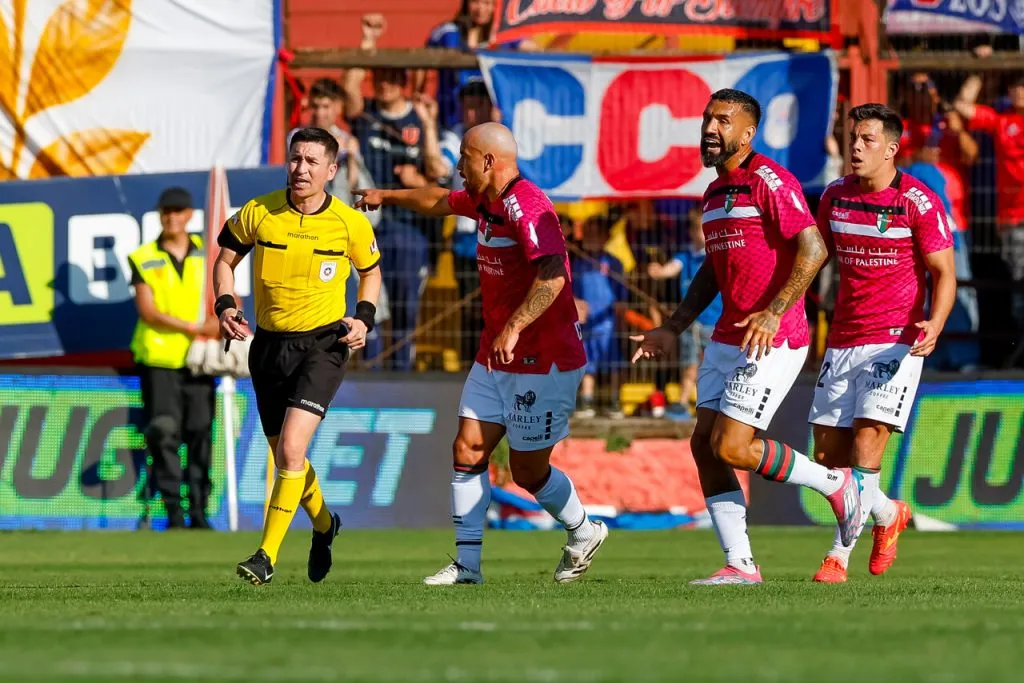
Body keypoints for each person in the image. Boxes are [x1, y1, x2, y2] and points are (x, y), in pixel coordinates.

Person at [353, 122, 607, 585]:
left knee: (528, 471)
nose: (458, 166)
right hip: (496, 354)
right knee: (467, 447)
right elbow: (438, 201)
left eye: (465, 157)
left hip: (542, 357)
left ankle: (584, 529)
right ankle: (468, 566)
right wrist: (386, 196)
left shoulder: (526, 205)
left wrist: (514, 325)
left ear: (488, 161)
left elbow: (552, 277)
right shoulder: (485, 200)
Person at [630, 89, 861, 585]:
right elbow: (712, 270)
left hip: (773, 336)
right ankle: (741, 565)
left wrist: (776, 311)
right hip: (727, 337)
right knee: (703, 446)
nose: (710, 128)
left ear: (747, 132)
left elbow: (814, 248)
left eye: (723, 121)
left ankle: (835, 483)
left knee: (733, 447)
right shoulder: (713, 196)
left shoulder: (769, 180)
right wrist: (673, 326)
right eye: (707, 119)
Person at [214, 127, 383, 585]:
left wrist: (363, 319)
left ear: (331, 171)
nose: (300, 169)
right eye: (295, 159)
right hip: (268, 347)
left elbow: (370, 273)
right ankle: (326, 524)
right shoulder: (260, 212)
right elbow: (224, 260)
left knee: (291, 450)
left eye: (311, 162)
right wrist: (225, 305)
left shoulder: (349, 223)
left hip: (323, 346)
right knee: (290, 458)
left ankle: (265, 556)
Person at [809, 104, 956, 583]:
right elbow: (814, 258)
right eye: (854, 137)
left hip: (897, 341)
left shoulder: (919, 201)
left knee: (867, 446)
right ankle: (888, 514)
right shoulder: (835, 197)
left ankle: (837, 557)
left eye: (868, 140)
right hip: (843, 339)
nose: (856, 146)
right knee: (829, 460)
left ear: (891, 149)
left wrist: (935, 322)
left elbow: (944, 273)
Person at [129, 187, 220, 529]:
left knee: (199, 432)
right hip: (159, 358)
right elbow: (148, 311)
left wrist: (220, 320)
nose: (171, 217)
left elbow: (226, 298)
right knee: (164, 433)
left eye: (178, 211)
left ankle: (199, 510)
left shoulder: (209, 255)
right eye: (166, 211)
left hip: (199, 359)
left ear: (189, 215)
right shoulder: (143, 256)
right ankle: (173, 512)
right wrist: (192, 326)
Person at [648, 205, 723, 419]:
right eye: (701, 229)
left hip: (716, 321)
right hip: (692, 323)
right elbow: (672, 268)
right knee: (689, 365)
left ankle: (710, 404)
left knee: (713, 366)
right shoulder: (686, 256)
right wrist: (659, 272)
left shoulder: (715, 254)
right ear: (691, 232)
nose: (705, 234)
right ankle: (682, 402)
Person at [572, 216, 626, 418]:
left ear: (605, 237)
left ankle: (614, 400)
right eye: (589, 233)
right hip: (585, 322)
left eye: (597, 234)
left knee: (613, 361)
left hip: (608, 321)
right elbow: (570, 290)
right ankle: (587, 400)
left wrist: (621, 308)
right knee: (587, 361)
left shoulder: (614, 263)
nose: (592, 237)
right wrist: (575, 302)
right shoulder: (578, 263)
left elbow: (622, 292)